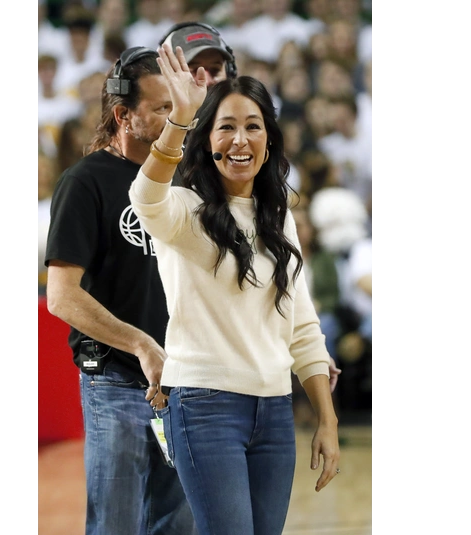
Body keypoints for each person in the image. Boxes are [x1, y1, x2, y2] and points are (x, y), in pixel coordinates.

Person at [128, 43, 341, 535]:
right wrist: (180, 119)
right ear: (206, 141)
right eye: (226, 126)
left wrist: (326, 421)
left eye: (252, 126)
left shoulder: (279, 216)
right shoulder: (183, 210)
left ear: (268, 139)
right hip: (203, 406)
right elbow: (144, 197)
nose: (240, 140)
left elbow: (303, 329)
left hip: (273, 409)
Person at [44, 46, 196, 535]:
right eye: (161, 109)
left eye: (177, 107)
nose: (175, 120)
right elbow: (62, 296)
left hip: (184, 384)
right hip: (116, 380)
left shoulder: (185, 183)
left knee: (178, 525)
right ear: (123, 115)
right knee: (118, 525)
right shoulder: (85, 182)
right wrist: (140, 343)